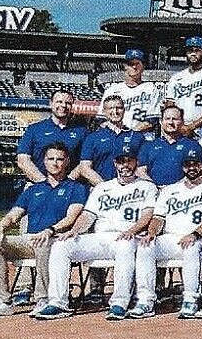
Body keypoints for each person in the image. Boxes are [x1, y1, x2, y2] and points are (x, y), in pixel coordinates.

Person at [36, 136, 157, 321]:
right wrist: (74, 230)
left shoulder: (147, 187)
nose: (125, 165)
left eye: (129, 160)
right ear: (115, 163)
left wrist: (132, 231)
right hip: (100, 237)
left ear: (136, 162)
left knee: (125, 246)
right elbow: (88, 215)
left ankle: (119, 303)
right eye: (121, 161)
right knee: (61, 246)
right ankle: (58, 303)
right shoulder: (102, 188)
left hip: (127, 237)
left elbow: (148, 215)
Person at [0, 143, 88, 318]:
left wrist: (50, 230)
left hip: (57, 239)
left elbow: (71, 217)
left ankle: (43, 299)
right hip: (30, 239)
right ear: (44, 161)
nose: (55, 163)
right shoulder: (33, 190)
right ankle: (1, 302)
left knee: (43, 243)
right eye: (51, 159)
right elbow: (13, 216)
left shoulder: (76, 188)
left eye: (60, 159)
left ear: (67, 162)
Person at [139, 149, 202, 319]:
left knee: (190, 247)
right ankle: (145, 300)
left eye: (196, 164)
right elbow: (158, 218)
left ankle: (191, 299)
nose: (192, 168)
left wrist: (194, 235)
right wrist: (151, 233)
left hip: (197, 238)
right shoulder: (169, 190)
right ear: (182, 167)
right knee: (145, 246)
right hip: (170, 238)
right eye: (188, 164)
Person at [15, 90, 87, 182]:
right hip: (37, 184)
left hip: (70, 186)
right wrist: (43, 182)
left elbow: (85, 162)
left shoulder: (82, 132)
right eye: (59, 102)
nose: (63, 105)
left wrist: (68, 182)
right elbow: (23, 160)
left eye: (68, 103)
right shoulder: (34, 129)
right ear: (51, 103)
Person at [139, 104, 202, 187]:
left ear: (182, 121)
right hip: (155, 190)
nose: (170, 122)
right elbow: (140, 171)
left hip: (182, 190)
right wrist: (154, 187)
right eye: (167, 119)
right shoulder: (148, 146)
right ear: (161, 121)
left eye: (175, 119)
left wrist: (173, 188)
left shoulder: (192, 145)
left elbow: (196, 172)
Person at [100, 48, 161, 134]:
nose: (134, 67)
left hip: (142, 136)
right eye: (131, 64)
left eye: (137, 64)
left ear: (143, 66)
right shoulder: (112, 90)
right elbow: (101, 119)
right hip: (115, 135)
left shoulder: (152, 89)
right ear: (125, 66)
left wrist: (130, 134)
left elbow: (152, 120)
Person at [75, 94, 132, 185]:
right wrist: (105, 187)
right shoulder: (92, 138)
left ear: (124, 110)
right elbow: (85, 168)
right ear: (104, 111)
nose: (115, 111)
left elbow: (141, 167)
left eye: (119, 108)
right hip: (102, 188)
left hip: (129, 189)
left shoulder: (135, 136)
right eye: (110, 108)